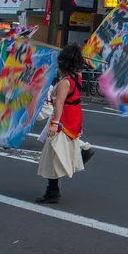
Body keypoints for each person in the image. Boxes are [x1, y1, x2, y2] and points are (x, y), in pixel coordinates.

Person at [36, 44, 86, 203]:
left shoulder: (65, 82)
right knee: (59, 150)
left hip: (63, 119)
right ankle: (53, 190)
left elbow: (59, 103)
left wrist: (55, 123)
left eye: (59, 63)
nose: (57, 66)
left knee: (53, 154)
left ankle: (52, 191)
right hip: (74, 117)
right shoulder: (77, 76)